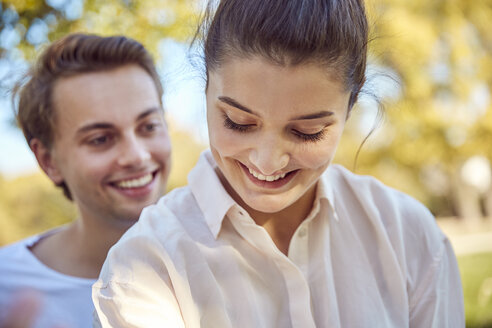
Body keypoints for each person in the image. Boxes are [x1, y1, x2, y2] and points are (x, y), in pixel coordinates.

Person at [93, 0, 464, 327]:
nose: (266, 161)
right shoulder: (144, 270)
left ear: (350, 108)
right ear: (206, 91)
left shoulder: (409, 236)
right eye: (238, 122)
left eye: (307, 131)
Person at [0, 33, 172, 328]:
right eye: (100, 139)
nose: (137, 156)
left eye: (149, 126)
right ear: (49, 161)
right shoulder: (6, 289)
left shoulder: (229, 262)